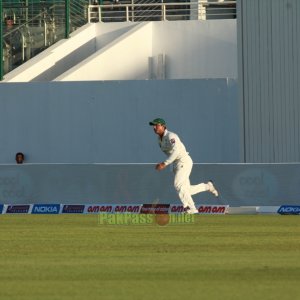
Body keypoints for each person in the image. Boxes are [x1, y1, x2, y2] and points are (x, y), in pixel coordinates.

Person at [149, 118, 219, 214]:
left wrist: (164, 163)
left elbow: (176, 151)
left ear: (163, 126)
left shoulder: (171, 136)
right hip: (176, 164)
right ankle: (207, 186)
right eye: (153, 125)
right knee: (186, 190)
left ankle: (191, 208)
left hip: (184, 161)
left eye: (156, 125)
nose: (154, 127)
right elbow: (170, 154)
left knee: (178, 184)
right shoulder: (159, 140)